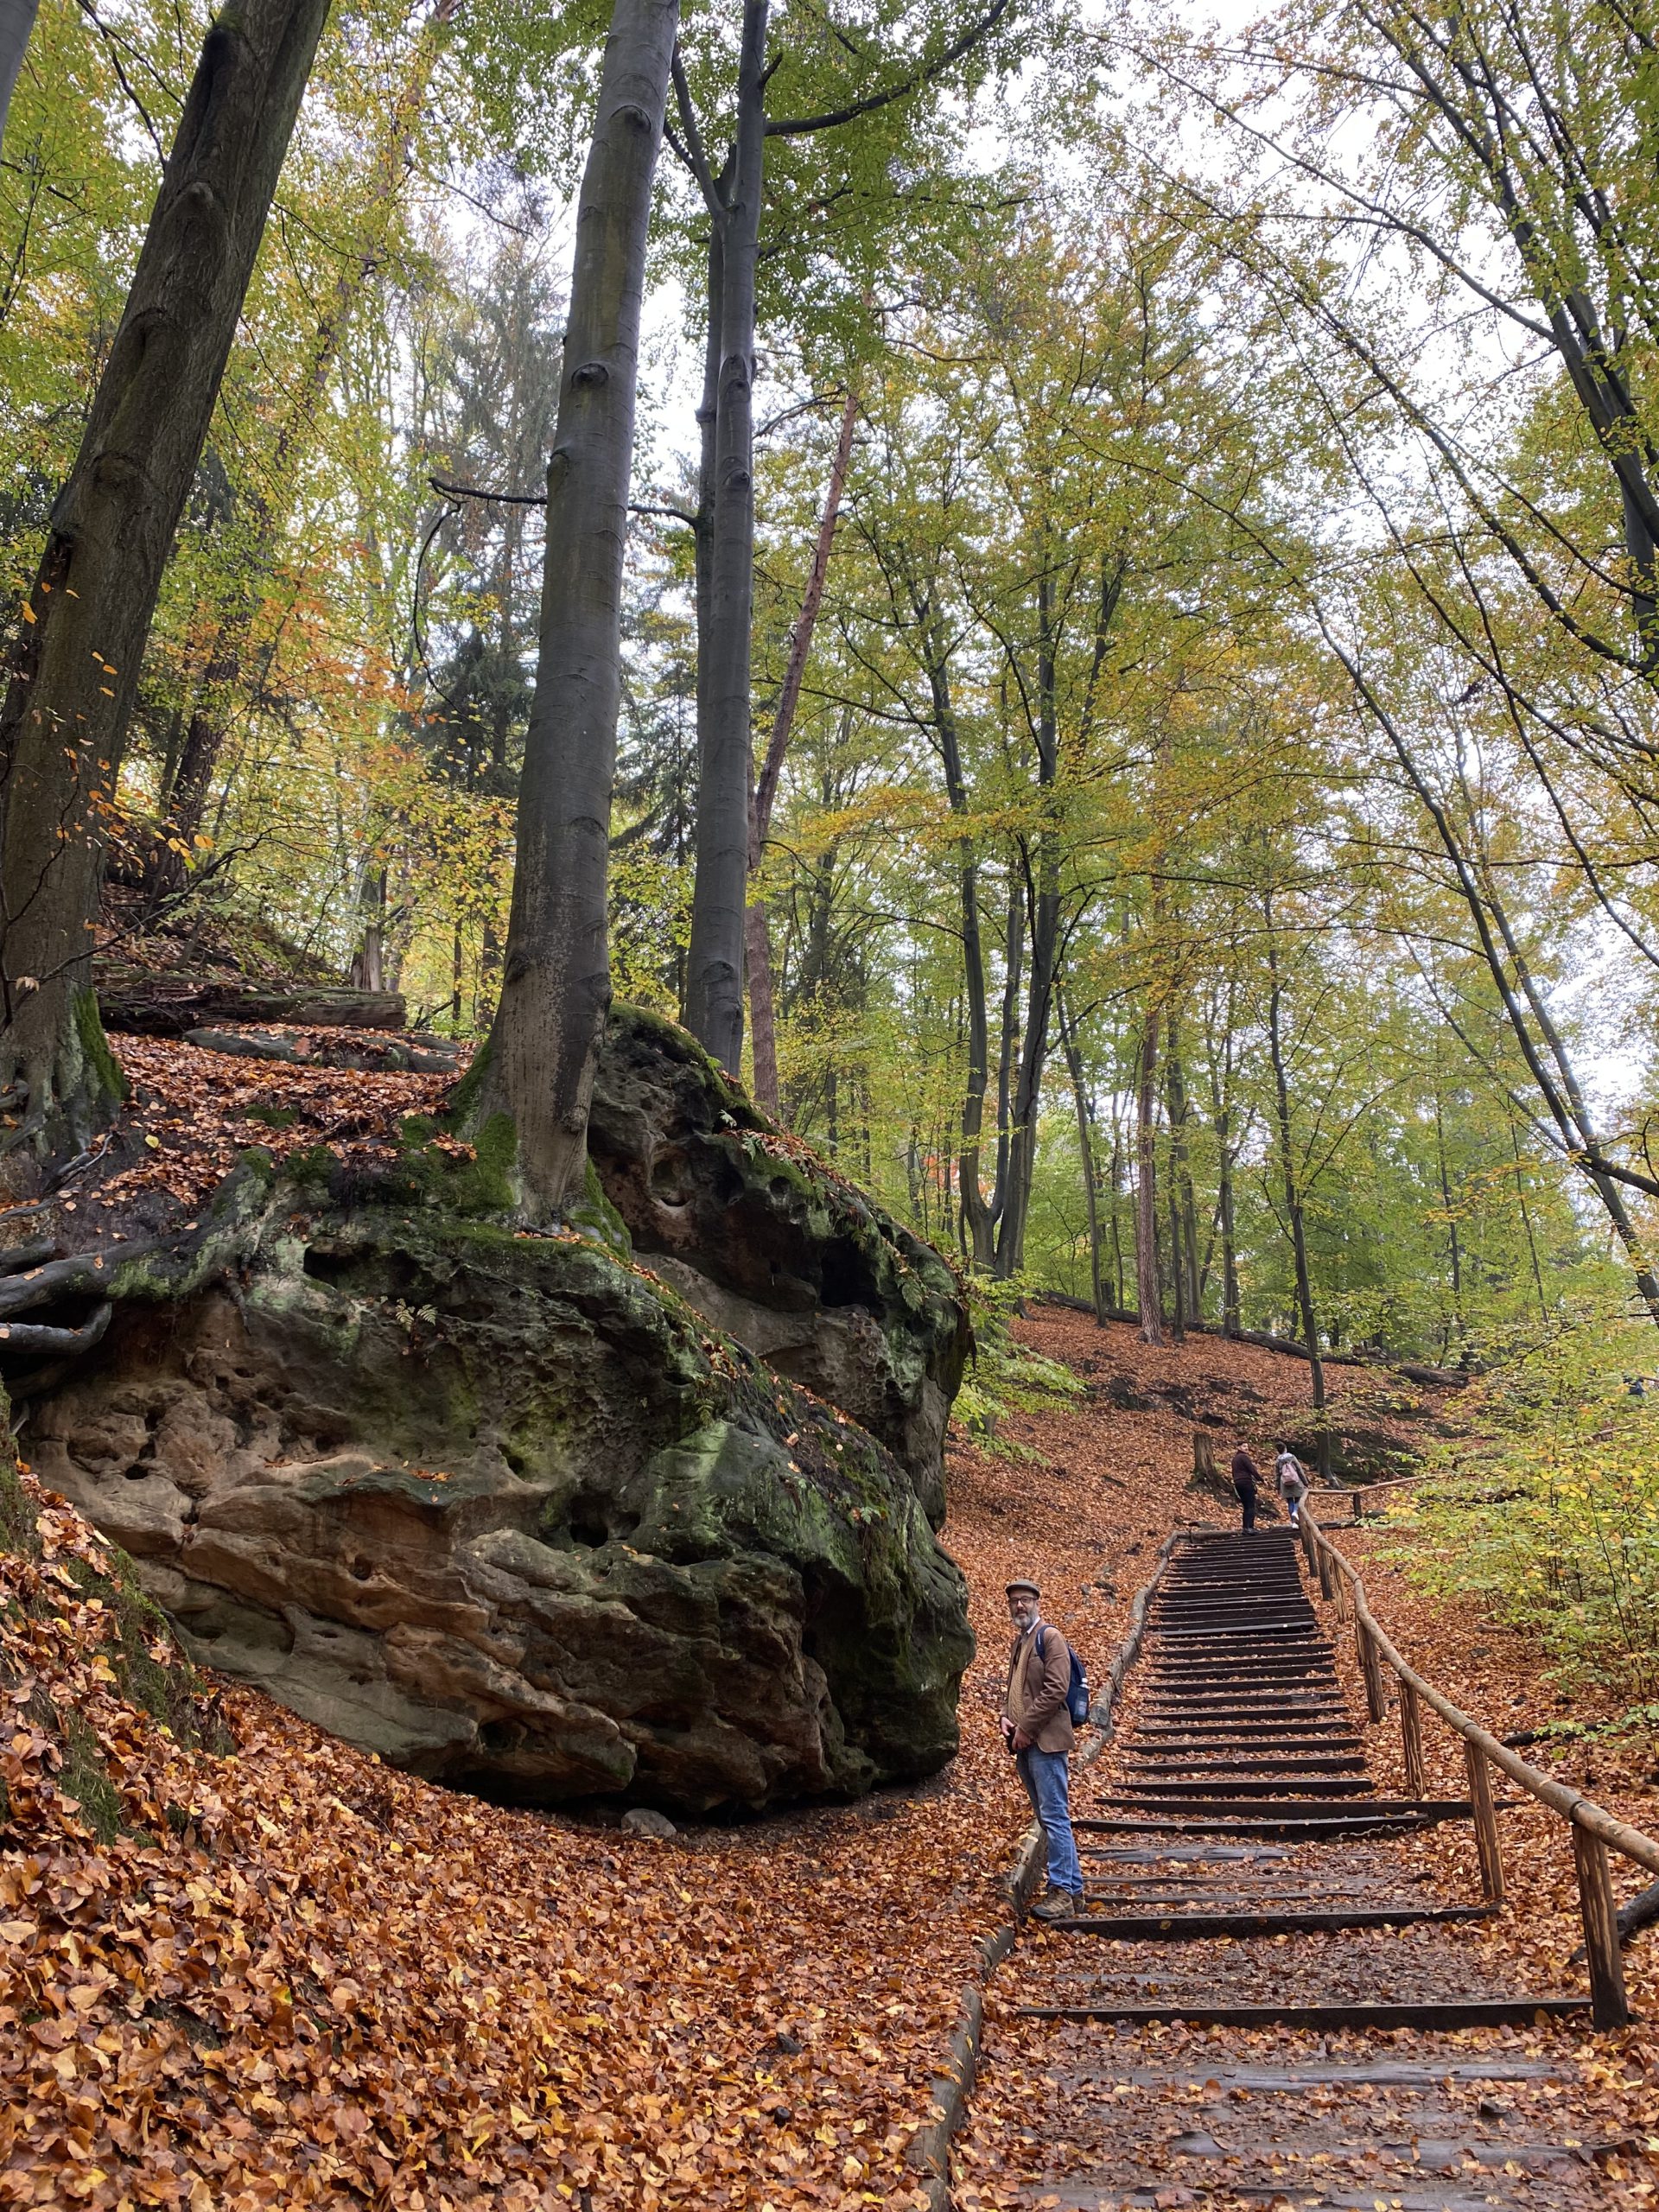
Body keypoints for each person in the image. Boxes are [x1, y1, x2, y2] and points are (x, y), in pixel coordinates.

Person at [1002, 1578, 1084, 1922]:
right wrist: (1005, 1718)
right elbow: (1016, 1689)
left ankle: (1062, 1891)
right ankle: (1073, 1889)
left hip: (1046, 1742)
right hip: (1024, 1743)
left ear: (1037, 1602)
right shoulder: (1020, 1643)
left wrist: (1026, 1728)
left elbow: (1055, 1689)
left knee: (1054, 1815)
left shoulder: (1050, 1638)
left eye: (1025, 1600)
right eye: (1015, 1602)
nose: (1020, 1606)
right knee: (1047, 1817)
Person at [1274, 1443, 1309, 1529]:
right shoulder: (1292, 1457)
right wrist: (1305, 1482)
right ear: (1285, 1448)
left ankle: (1293, 1523)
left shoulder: (1278, 1461)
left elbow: (1277, 1475)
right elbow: (1299, 1470)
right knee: (1298, 1499)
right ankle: (1295, 1511)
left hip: (1285, 1483)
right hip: (1296, 1481)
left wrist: (1277, 1487)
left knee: (1290, 1501)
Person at [1231, 1444, 1260, 1533]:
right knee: (1251, 1505)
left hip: (1238, 1483)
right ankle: (1250, 1527)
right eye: (1244, 1446)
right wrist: (1260, 1479)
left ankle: (1245, 1528)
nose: (1246, 1448)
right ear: (1238, 1447)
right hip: (1246, 1482)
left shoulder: (1235, 1459)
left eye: (1247, 1446)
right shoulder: (1244, 1457)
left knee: (1246, 1506)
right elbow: (1251, 1469)